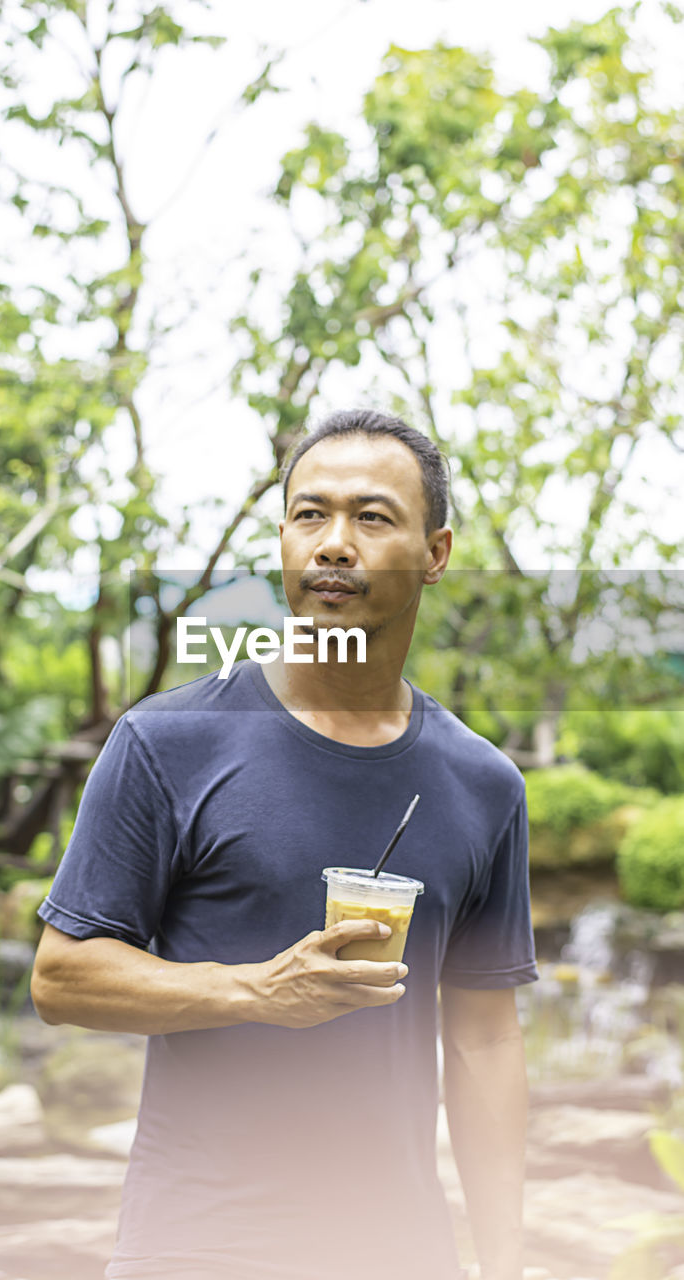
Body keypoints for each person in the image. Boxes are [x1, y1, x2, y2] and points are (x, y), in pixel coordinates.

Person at [31, 409, 538, 1280]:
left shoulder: (482, 783)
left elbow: (484, 1043)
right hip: (195, 1246)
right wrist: (261, 991)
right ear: (282, 541)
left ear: (435, 552)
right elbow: (61, 976)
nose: (334, 543)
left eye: (372, 518)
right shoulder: (166, 742)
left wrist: (503, 1261)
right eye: (310, 515)